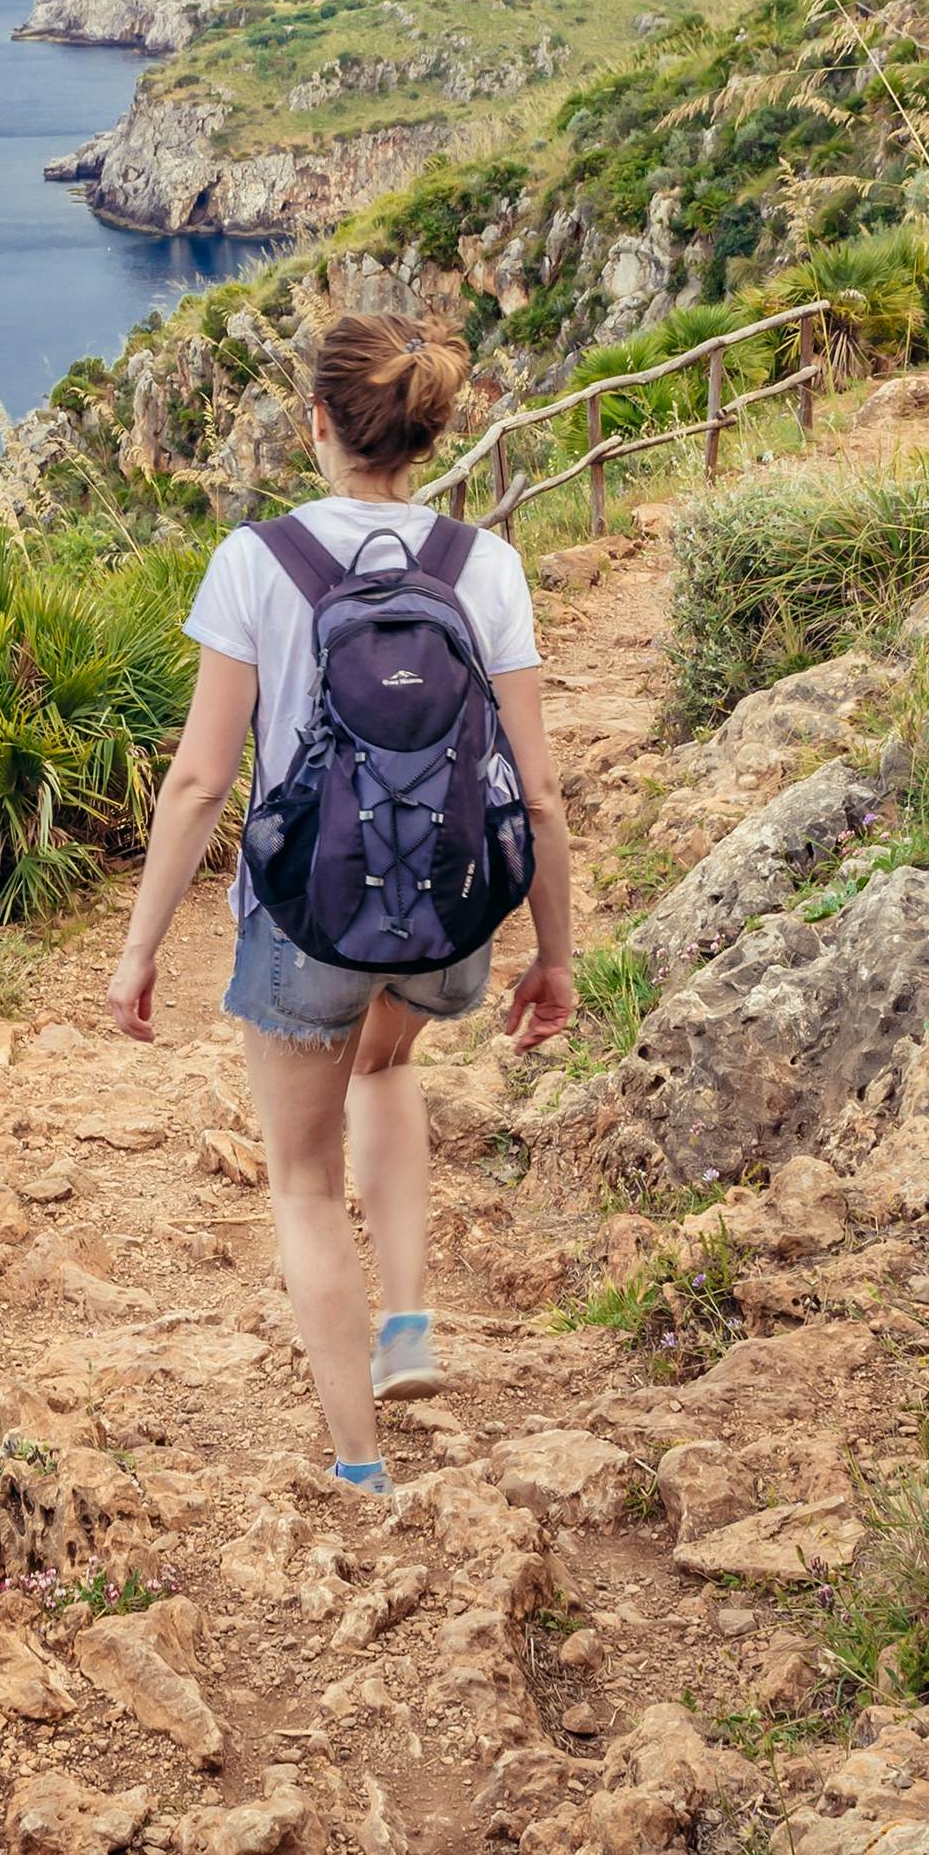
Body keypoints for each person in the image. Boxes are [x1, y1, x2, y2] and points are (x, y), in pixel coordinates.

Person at [107, 309, 576, 1499]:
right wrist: (552, 954)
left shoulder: (257, 560)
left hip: (307, 923)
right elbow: (542, 784)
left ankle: (360, 1464)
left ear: (316, 423)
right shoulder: (486, 564)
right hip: (452, 926)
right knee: (387, 1066)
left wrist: (140, 945)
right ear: (421, 433)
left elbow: (203, 778)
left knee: (304, 1183)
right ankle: (408, 1321)